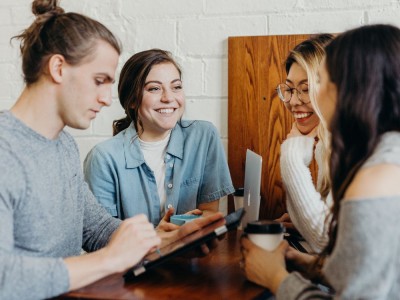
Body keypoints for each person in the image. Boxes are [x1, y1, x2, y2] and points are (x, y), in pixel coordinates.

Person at [0, 1, 223, 299]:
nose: (107, 99)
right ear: (58, 68)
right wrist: (109, 260)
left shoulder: (63, 145)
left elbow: (95, 228)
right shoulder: (6, 151)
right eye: (99, 81)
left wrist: (159, 242)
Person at [241, 24, 400, 298]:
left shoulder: (377, 177)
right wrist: (311, 265)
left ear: (352, 90)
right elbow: (367, 269)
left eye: (320, 81)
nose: (298, 100)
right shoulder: (383, 154)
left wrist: (277, 278)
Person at [83, 49, 234, 231]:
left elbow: (209, 212)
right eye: (154, 88)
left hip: (192, 255)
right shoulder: (103, 158)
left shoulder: (203, 136)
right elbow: (101, 235)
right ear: (132, 100)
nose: (169, 98)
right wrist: (159, 238)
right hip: (136, 259)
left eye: (176, 87)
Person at [275, 34, 334, 253]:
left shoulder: (352, 147)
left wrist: (291, 154)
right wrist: (302, 223)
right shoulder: (326, 145)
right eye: (289, 89)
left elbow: (325, 241)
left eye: (306, 88)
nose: (293, 100)